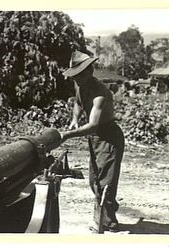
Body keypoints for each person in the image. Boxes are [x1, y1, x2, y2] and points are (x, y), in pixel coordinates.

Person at [60, 50, 125, 232]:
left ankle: (106, 222)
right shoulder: (80, 85)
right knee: (95, 180)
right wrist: (74, 120)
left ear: (90, 71)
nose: (77, 79)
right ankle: (108, 216)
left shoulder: (100, 94)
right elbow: (78, 103)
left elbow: (93, 125)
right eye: (74, 76)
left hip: (109, 136)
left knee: (106, 183)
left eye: (79, 75)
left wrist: (66, 135)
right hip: (95, 138)